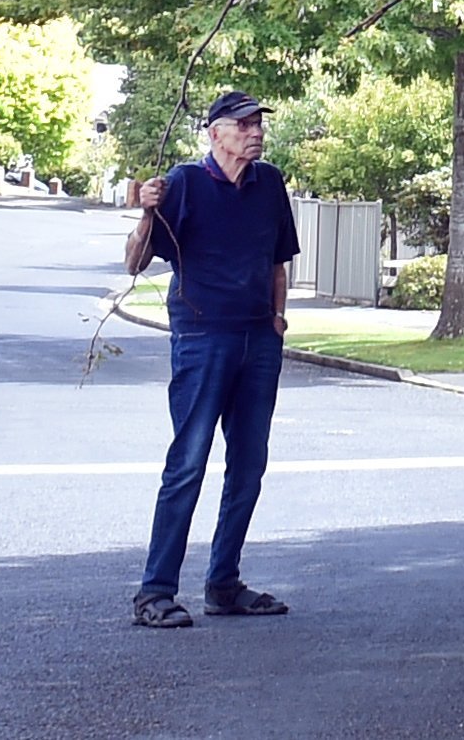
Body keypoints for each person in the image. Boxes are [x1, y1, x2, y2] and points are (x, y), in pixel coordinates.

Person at [126, 88, 298, 627]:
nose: (256, 132)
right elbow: (135, 263)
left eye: (258, 123)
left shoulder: (269, 183)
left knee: (248, 467)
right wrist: (145, 213)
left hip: (258, 342)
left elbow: (277, 263)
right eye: (243, 123)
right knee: (189, 464)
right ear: (215, 131)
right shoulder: (183, 184)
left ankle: (224, 585)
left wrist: (276, 322)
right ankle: (154, 593)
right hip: (203, 339)